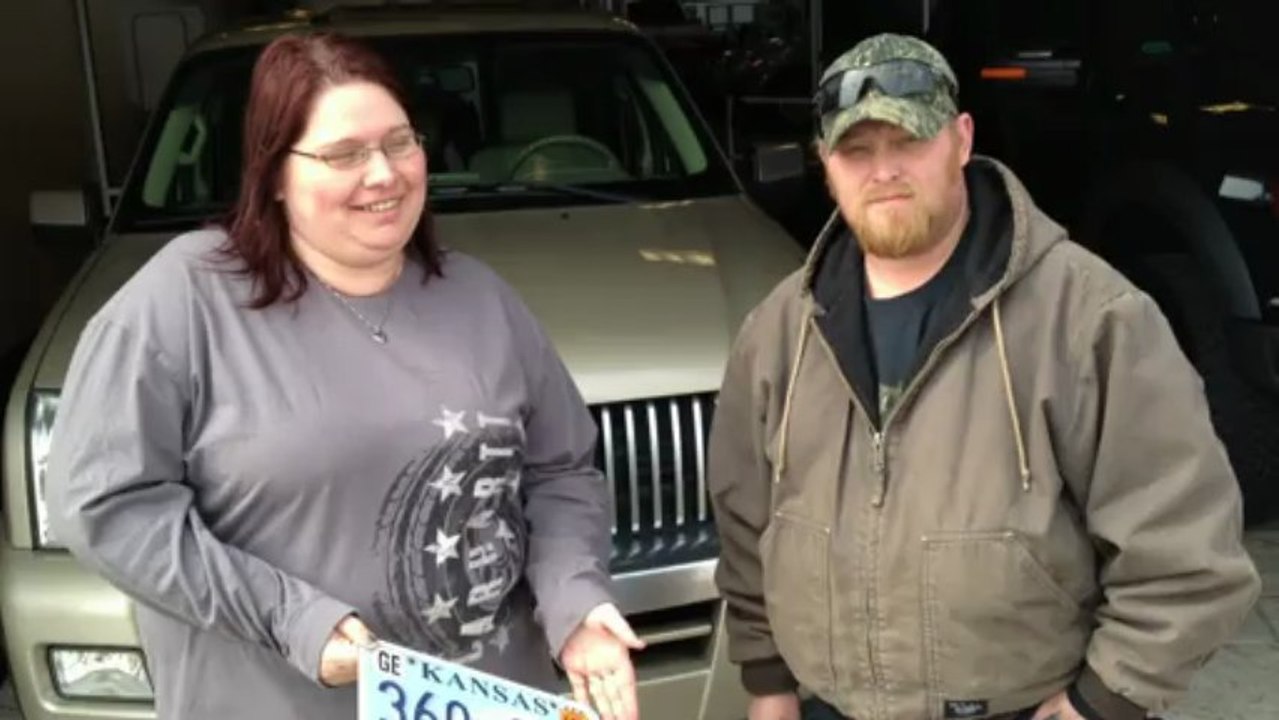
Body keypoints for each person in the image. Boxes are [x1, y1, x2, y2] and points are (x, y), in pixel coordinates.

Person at [47, 32, 642, 720]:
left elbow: (560, 469)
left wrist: (575, 601)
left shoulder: (480, 297)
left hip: (489, 702)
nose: (384, 173)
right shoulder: (181, 300)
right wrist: (288, 616)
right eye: (343, 154)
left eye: (399, 142)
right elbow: (104, 503)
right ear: (272, 173)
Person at [707, 33, 1261, 720]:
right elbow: (743, 523)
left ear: (961, 140)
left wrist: (1104, 699)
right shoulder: (779, 331)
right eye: (857, 150)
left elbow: (1185, 549)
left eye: (908, 141)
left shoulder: (1090, 319)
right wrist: (767, 681)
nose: (883, 171)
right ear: (825, 164)